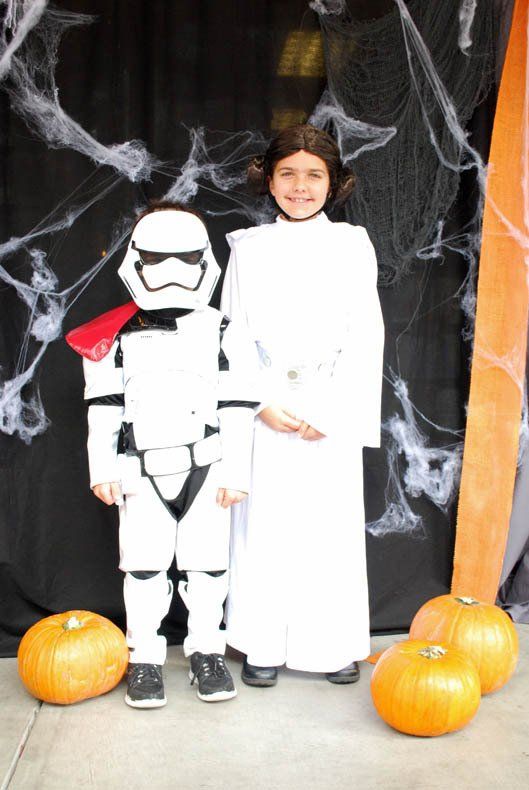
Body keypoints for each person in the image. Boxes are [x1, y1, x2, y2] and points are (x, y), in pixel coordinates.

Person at [66, 203, 258, 707]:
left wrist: (236, 473)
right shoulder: (114, 334)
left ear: (204, 260)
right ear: (136, 258)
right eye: (156, 258)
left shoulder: (224, 329)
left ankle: (207, 652)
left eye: (185, 258)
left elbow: (237, 408)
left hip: (207, 466)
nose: (171, 271)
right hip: (139, 467)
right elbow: (104, 408)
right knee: (144, 569)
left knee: (208, 568)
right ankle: (145, 658)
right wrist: (102, 468)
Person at [221, 124, 384, 687]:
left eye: (314, 175)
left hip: (328, 405)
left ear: (332, 184)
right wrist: (259, 402)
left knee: (327, 529)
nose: (300, 186)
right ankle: (260, 642)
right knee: (264, 527)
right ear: (269, 181)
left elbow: (366, 334)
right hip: (268, 406)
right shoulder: (247, 248)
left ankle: (330, 644)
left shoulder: (351, 245)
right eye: (287, 174)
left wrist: (333, 411)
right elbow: (233, 333)